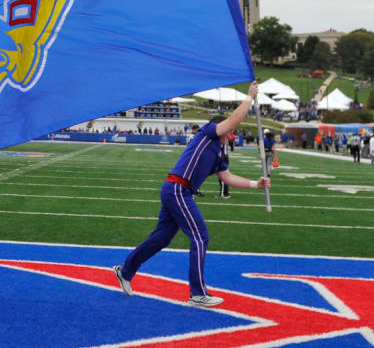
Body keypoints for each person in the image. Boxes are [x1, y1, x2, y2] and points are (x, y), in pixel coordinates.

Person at [114, 81, 270, 307]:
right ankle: (197, 293)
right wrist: (249, 97)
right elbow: (234, 120)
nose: (231, 135)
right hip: (178, 188)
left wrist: (257, 184)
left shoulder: (219, 154)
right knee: (200, 237)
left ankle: (126, 271)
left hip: (176, 190)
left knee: (162, 238)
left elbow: (227, 178)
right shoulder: (208, 133)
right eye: (229, 131)